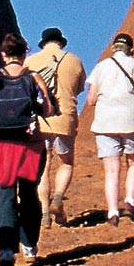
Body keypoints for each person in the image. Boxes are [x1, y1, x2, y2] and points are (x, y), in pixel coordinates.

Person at [0, 33, 55, 266]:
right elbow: (48, 109)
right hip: (29, 144)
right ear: (24, 54)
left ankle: (6, 252)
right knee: (30, 194)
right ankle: (30, 247)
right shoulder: (33, 77)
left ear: (3, 54)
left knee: (4, 196)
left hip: (0, 145)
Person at [82, 31, 134, 223]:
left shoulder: (101, 67)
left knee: (111, 169)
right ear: (132, 50)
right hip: (132, 121)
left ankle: (112, 212)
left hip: (105, 122)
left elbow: (91, 99)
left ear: (113, 48)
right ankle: (130, 202)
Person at [24, 27, 85, 226]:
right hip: (65, 118)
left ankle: (44, 212)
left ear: (43, 43)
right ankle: (58, 198)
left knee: (44, 166)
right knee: (66, 162)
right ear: (61, 43)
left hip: (39, 120)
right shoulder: (74, 61)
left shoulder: (31, 61)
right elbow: (80, 88)